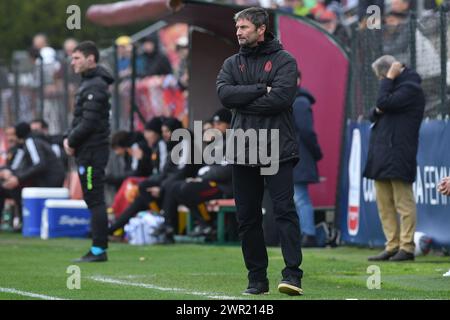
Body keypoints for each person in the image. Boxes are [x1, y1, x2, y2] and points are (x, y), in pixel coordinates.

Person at [216, 7, 303, 296]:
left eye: (244, 27)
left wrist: (243, 100)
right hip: (243, 150)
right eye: (237, 28)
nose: (239, 32)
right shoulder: (231, 63)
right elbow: (225, 95)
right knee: (247, 217)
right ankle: (257, 279)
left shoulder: (285, 60)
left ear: (261, 28)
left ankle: (292, 275)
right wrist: (260, 89)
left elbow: (280, 100)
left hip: (278, 147)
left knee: (284, 211)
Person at [364, 55, 425, 262]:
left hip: (399, 153)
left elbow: (382, 102)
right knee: (385, 204)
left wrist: (389, 78)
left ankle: (406, 247)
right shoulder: (392, 90)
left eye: (382, 77)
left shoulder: (411, 88)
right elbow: (374, 112)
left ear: (390, 72)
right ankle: (392, 245)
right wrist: (381, 105)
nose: (381, 81)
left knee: (403, 203)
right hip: (382, 153)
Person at [63, 41, 114, 263]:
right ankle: (97, 247)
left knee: (95, 199)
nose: (72, 62)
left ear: (90, 59)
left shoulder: (95, 85)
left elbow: (89, 122)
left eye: (76, 58)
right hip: (87, 150)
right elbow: (81, 118)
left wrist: (71, 141)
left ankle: (98, 250)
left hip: (92, 151)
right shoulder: (89, 83)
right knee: (92, 198)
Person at [0, 122, 65, 229]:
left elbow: (39, 163)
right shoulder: (30, 142)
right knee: (9, 185)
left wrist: (18, 178)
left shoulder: (31, 141)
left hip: (48, 181)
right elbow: (23, 166)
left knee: (13, 187)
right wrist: (11, 174)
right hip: (47, 178)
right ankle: (22, 221)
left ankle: (24, 222)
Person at [292, 70, 323, 247]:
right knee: (298, 197)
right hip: (295, 157)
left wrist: (316, 153)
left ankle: (308, 234)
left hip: (298, 157)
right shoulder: (298, 101)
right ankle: (305, 234)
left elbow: (307, 132)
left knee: (300, 197)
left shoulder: (300, 102)